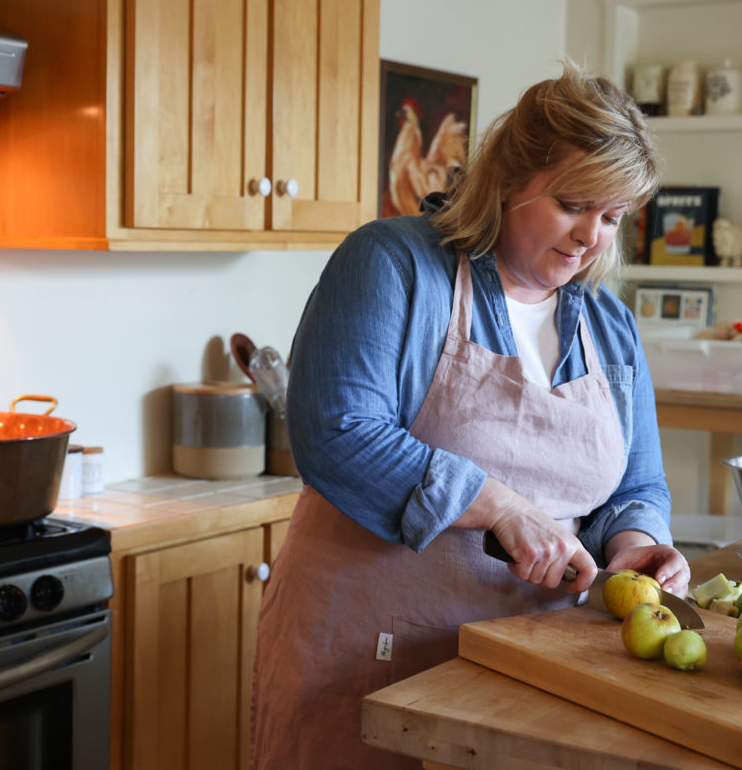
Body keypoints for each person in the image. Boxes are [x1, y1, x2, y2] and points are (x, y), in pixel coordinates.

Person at [251, 63, 689, 769]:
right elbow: (335, 431)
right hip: (372, 648)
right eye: (575, 204)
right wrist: (501, 508)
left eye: (612, 217)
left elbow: (637, 484)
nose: (591, 238)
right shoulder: (392, 264)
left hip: (538, 665)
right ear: (511, 178)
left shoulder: (610, 325)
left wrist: (637, 543)